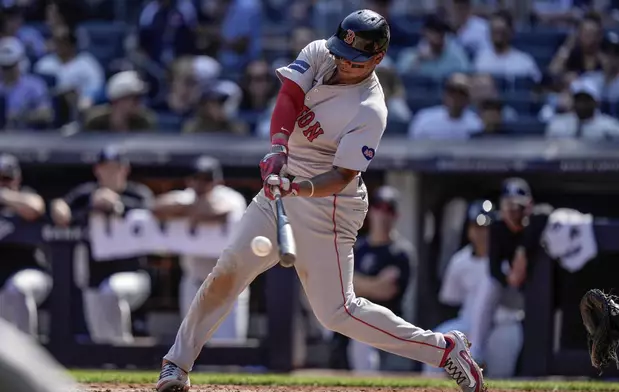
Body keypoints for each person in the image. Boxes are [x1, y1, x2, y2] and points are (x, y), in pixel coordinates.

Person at [156, 9, 485, 392]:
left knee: (336, 313)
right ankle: (176, 365)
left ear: (377, 58)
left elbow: (342, 176)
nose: (343, 62)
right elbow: (289, 97)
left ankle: (445, 350)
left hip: (328, 204)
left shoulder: (369, 109)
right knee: (228, 270)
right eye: (341, 53)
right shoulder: (320, 53)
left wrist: (297, 188)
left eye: (355, 59)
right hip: (280, 187)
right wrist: (278, 149)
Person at [50, 146, 154, 344]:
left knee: (112, 291)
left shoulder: (138, 194)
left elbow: (151, 213)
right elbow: (63, 207)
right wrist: (60, 206)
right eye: (105, 168)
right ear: (97, 170)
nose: (110, 173)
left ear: (125, 169)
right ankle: (114, 369)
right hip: (94, 275)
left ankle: (124, 354)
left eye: (115, 168)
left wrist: (117, 205)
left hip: (134, 274)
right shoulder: (86, 194)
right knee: (100, 337)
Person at [152, 156, 249, 343]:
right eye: (196, 178)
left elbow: (221, 210)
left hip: (227, 283)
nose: (201, 184)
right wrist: (192, 208)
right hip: (194, 282)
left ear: (217, 181)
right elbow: (156, 208)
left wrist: (184, 212)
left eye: (207, 179)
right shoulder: (186, 196)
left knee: (228, 348)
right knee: (191, 347)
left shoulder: (230, 196)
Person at [423, 200, 524, 378]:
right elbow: (450, 300)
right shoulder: (460, 261)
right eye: (476, 226)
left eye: (486, 227)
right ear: (469, 230)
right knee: (435, 342)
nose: (481, 233)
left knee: (501, 376)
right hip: (468, 325)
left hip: (503, 324)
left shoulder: (509, 257)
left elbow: (520, 298)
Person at [329, 186, 415, 372]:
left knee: (363, 340)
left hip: (388, 321)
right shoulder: (358, 248)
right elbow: (339, 285)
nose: (383, 215)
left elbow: (387, 291)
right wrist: (372, 283)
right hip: (353, 319)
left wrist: (356, 282)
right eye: (379, 207)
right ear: (370, 211)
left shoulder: (401, 253)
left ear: (396, 215)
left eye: (388, 209)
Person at [467, 178, 552, 364]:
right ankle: (476, 351)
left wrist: (522, 251)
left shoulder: (537, 221)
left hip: (533, 295)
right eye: (509, 206)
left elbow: (546, 213)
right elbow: (494, 270)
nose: (513, 212)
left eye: (518, 207)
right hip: (509, 289)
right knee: (488, 285)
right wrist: (510, 278)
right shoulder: (497, 227)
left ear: (528, 206)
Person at [0, 154, 49, 337]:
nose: (2, 183)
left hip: (32, 272)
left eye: (6, 178)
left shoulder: (25, 195)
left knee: (18, 288)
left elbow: (35, 207)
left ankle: (29, 352)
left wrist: (4, 195)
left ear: (17, 179)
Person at [546, 78, 619, 139]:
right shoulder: (558, 125)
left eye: (586, 100)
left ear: (596, 102)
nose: (581, 104)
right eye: (578, 100)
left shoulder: (611, 128)